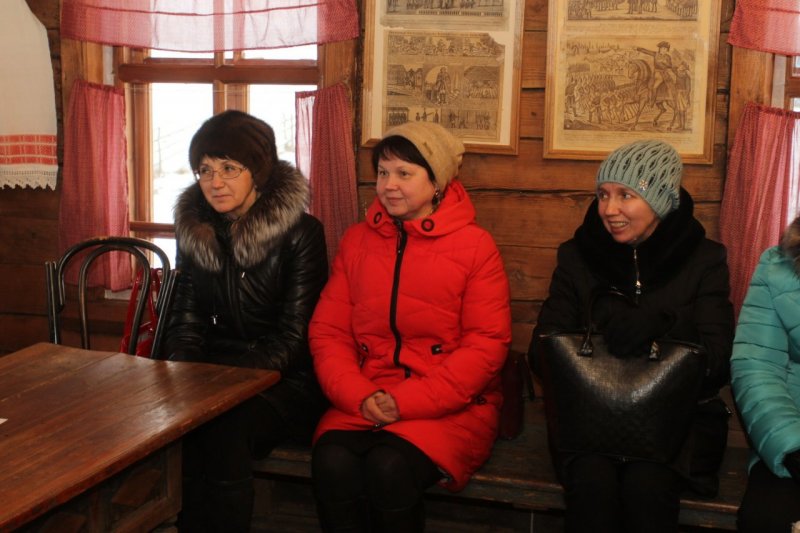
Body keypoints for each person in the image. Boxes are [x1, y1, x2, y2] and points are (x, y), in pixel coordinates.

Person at [308, 121, 511, 532]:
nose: (389, 185)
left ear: (436, 182)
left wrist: (405, 402)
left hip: (450, 406)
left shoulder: (475, 247)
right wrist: (360, 394)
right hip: (365, 397)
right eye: (383, 173)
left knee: (389, 467)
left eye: (404, 173)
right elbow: (329, 332)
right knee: (331, 461)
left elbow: (486, 346)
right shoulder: (358, 241)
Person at [528, 139, 734, 532]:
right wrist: (599, 328)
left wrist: (665, 326)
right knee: (592, 485)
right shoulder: (578, 256)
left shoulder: (704, 260)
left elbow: (718, 360)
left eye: (626, 195)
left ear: (660, 200)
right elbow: (542, 353)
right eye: (603, 195)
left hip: (672, 427)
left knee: (647, 487)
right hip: (590, 421)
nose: (609, 209)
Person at [163, 110, 329, 532]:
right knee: (179, 425)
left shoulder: (301, 233)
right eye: (204, 170)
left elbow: (294, 339)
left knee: (222, 427)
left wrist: (222, 386)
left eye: (229, 168)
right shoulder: (194, 230)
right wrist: (188, 378)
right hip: (209, 376)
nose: (215, 182)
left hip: (284, 382)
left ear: (258, 170)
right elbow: (184, 321)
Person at [731, 215, 800, 533]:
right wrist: (793, 449)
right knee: (768, 519)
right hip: (791, 435)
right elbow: (756, 368)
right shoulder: (779, 267)